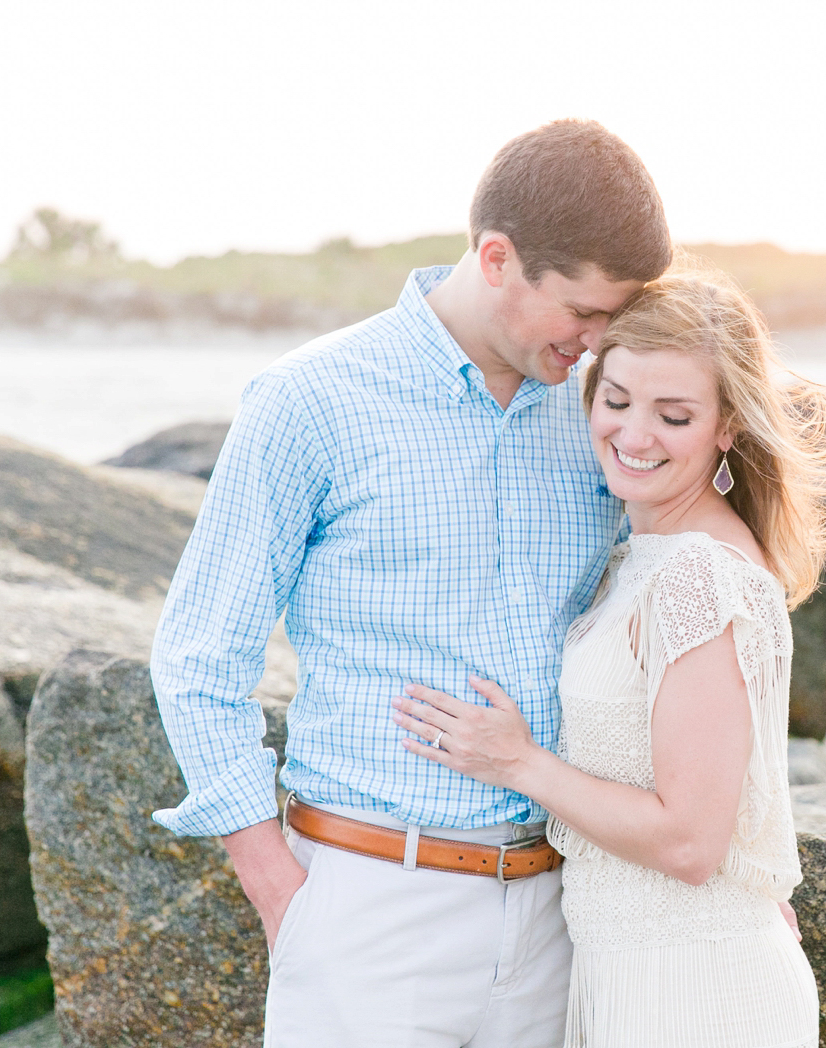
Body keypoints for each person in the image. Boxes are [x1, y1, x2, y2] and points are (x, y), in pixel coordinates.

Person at [149, 119, 672, 1047]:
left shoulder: (603, 414)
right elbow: (198, 659)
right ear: (498, 257)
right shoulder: (312, 400)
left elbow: (680, 608)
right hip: (369, 909)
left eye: (615, 318)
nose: (597, 343)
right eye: (584, 313)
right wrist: (285, 898)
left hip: (562, 915)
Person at [391, 270, 826, 1048]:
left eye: (673, 415)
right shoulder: (646, 552)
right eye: (616, 401)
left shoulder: (697, 577)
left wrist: (517, 762)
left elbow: (690, 842)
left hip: (694, 993)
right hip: (638, 973)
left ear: (727, 427)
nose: (634, 436)